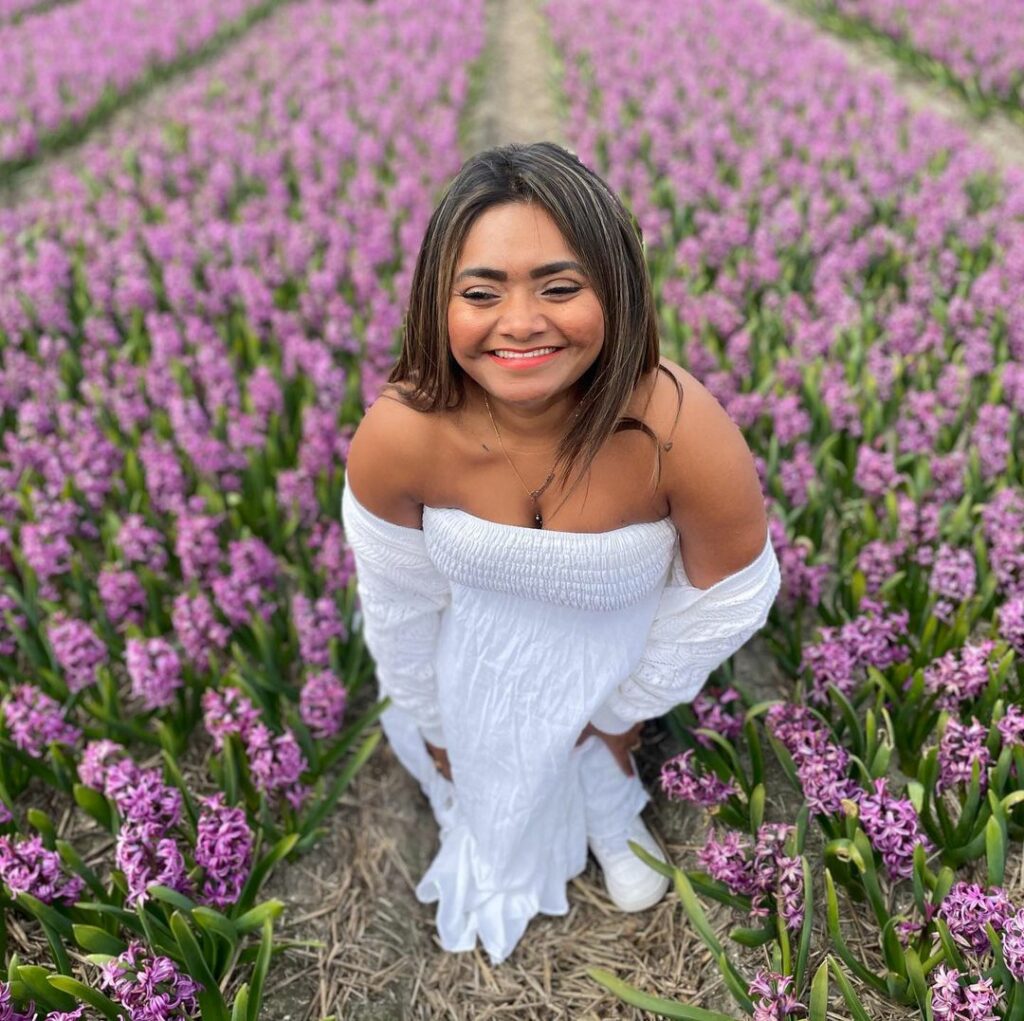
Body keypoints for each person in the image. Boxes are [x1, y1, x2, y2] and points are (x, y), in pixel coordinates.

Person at [340, 141, 780, 964]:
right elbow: (398, 602)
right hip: (470, 661)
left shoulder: (675, 423)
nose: (520, 323)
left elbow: (731, 594)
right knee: (482, 806)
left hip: (615, 660)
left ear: (615, 287)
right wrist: (435, 723)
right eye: (481, 292)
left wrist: (621, 714)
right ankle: (506, 785)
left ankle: (605, 785)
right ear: (438, 303)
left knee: (586, 766)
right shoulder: (401, 431)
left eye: (559, 286)